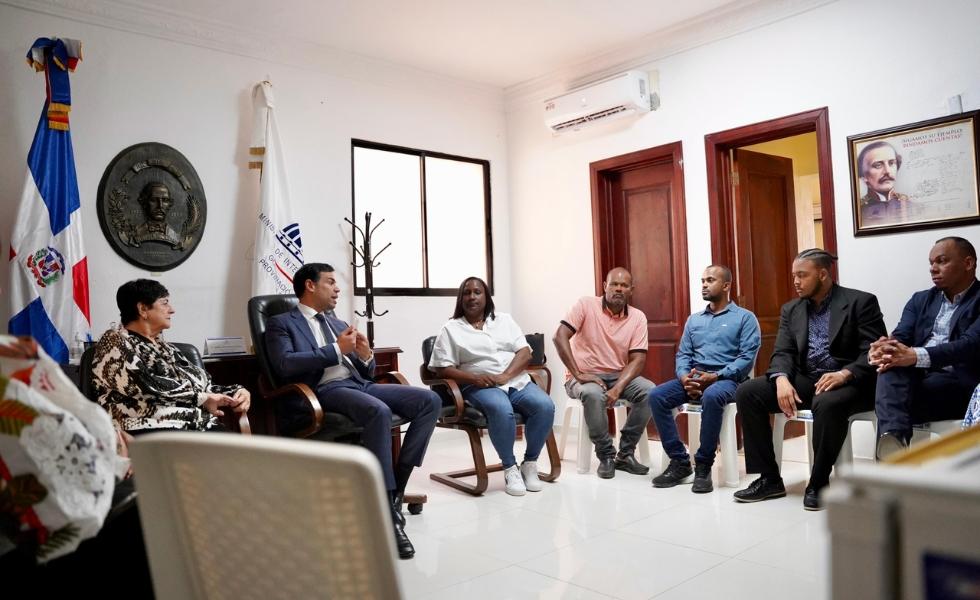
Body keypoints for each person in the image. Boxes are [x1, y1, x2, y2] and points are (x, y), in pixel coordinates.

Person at [264, 262, 440, 559]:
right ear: (310, 285)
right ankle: (388, 514)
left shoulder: (337, 322)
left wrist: (366, 355)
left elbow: (365, 372)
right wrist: (336, 349)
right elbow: (285, 365)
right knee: (378, 412)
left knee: (429, 401)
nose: (338, 289)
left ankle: (396, 489)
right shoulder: (281, 323)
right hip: (324, 390)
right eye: (331, 282)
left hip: (359, 384)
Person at [734, 249, 886, 510]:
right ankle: (769, 479)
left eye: (802, 275)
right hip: (809, 379)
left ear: (823, 274)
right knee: (748, 392)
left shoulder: (860, 302)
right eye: (794, 275)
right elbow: (783, 352)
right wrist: (781, 379)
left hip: (850, 381)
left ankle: (818, 482)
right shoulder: (791, 309)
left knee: (826, 403)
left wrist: (844, 373)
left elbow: (873, 351)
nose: (796, 281)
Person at [428, 276, 556, 496]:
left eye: (477, 292)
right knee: (500, 409)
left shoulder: (504, 320)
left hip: (515, 381)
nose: (472, 297)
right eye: (467, 293)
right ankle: (510, 468)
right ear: (460, 299)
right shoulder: (451, 329)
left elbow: (525, 352)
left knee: (544, 406)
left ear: (486, 297)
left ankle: (529, 464)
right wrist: (474, 379)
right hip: (479, 386)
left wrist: (506, 376)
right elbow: (442, 369)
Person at [648, 265, 761, 493]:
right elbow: (683, 354)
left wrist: (716, 376)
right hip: (696, 377)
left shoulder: (745, 318)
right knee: (657, 396)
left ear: (726, 286)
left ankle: (703, 465)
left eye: (710, 280)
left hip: (729, 380)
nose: (704, 285)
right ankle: (680, 462)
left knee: (712, 395)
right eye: (702, 281)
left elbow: (746, 358)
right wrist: (684, 377)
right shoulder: (694, 320)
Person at [92, 279, 251, 437]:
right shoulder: (113, 342)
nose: (172, 310)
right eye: (165, 303)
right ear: (143, 309)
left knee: (246, 450)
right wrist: (201, 398)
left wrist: (235, 392)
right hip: (148, 429)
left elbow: (201, 386)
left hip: (194, 426)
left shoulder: (167, 348)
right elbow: (148, 386)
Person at [870, 237, 980, 458]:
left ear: (968, 263)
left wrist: (914, 355)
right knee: (889, 371)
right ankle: (894, 440)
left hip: (958, 379)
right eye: (931, 263)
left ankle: (892, 451)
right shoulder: (920, 300)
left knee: (893, 398)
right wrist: (884, 349)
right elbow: (901, 336)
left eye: (941, 261)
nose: (933, 268)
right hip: (917, 376)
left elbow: (969, 345)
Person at [553, 267, 653, 479]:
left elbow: (638, 359)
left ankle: (625, 453)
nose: (619, 289)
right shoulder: (585, 305)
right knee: (592, 394)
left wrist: (618, 388)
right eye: (614, 284)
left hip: (618, 375)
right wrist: (578, 373)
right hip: (584, 376)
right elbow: (559, 336)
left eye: (624, 285)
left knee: (651, 392)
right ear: (605, 286)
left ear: (631, 290)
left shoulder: (638, 317)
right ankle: (606, 455)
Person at [857, 141, 910, 227]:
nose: (887, 171)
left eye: (891, 163)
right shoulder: (858, 212)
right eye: (878, 165)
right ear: (863, 175)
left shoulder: (911, 206)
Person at [129, 181, 182, 248]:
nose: (160, 206)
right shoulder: (135, 232)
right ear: (144, 203)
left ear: (169, 204)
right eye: (153, 200)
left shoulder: (174, 236)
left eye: (165, 200)